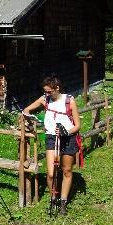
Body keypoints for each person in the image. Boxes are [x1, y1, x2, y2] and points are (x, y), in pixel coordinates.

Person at [23, 75, 81, 216]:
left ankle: (63, 201)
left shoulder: (69, 101)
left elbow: (78, 125)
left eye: (49, 91)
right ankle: (53, 198)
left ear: (57, 88)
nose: (47, 94)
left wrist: (66, 131)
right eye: (45, 91)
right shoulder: (45, 99)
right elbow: (26, 110)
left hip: (68, 138)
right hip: (51, 138)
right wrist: (30, 119)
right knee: (50, 173)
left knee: (66, 170)